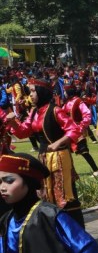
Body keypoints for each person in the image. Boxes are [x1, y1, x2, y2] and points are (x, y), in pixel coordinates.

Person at [5, 79, 86, 227]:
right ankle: (57, 232)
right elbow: (24, 132)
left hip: (59, 158)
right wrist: (12, 123)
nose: (31, 95)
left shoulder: (56, 110)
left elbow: (74, 129)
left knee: (64, 194)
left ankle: (76, 231)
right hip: (44, 158)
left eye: (33, 91)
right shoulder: (35, 112)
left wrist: (58, 142)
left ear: (42, 92)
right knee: (47, 194)